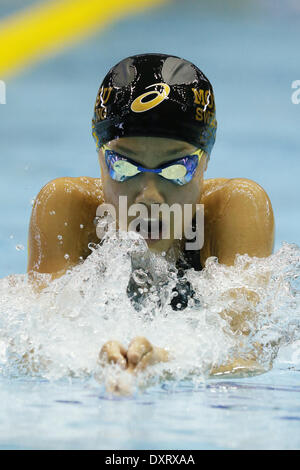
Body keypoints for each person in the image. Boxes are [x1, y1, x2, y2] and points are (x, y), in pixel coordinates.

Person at [27, 53, 274, 376]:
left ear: (205, 162)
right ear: (101, 160)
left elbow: (245, 352)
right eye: (124, 168)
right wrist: (89, 362)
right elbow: (33, 343)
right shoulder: (64, 207)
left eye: (175, 170)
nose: (149, 197)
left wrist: (167, 361)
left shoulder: (235, 209)